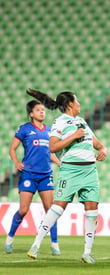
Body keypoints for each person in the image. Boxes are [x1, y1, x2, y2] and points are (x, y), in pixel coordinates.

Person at [25, 89, 107, 264]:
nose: (79, 104)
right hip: (71, 170)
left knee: (92, 212)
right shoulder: (59, 122)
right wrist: (73, 136)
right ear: (70, 103)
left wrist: (102, 149)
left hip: (90, 171)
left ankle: (87, 253)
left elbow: (96, 142)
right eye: (77, 101)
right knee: (59, 207)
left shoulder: (82, 122)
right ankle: (36, 245)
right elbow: (53, 147)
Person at [4, 100, 61, 255]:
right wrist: (16, 162)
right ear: (31, 114)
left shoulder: (49, 131)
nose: (42, 112)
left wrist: (60, 163)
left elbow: (51, 153)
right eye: (38, 110)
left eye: (43, 109)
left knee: (51, 210)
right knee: (23, 210)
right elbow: (12, 149)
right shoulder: (25, 129)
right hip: (29, 173)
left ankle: (54, 244)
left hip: (45, 175)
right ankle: (10, 237)